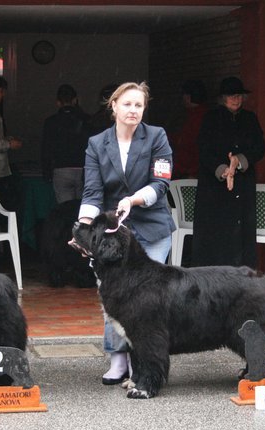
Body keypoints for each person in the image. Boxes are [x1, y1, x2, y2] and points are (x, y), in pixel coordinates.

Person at [78, 81, 175, 384]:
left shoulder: (157, 136)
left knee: (147, 300)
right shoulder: (97, 143)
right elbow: (92, 192)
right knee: (115, 294)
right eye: (128, 104)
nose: (133, 110)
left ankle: (144, 362)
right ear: (114, 106)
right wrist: (82, 227)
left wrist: (133, 199)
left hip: (152, 226)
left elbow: (161, 183)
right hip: (114, 235)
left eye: (139, 105)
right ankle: (117, 359)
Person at [191, 76, 265, 268]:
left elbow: (259, 147)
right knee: (215, 230)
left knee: (242, 229)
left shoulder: (250, 118)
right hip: (214, 186)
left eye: (239, 95)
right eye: (231, 95)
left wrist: (239, 161)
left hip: (243, 184)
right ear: (223, 98)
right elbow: (203, 148)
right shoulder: (211, 118)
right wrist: (222, 169)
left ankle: (242, 274)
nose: (236, 99)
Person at [41, 84, 91, 203]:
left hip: (61, 169)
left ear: (58, 102)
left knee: (65, 209)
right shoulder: (86, 120)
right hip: (84, 169)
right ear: (75, 100)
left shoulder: (51, 122)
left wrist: (46, 171)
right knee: (84, 209)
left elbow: (46, 148)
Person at [168, 79, 209, 179]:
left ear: (188, 97)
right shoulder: (197, 115)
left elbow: (191, 145)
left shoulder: (197, 117)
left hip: (190, 173)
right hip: (189, 171)